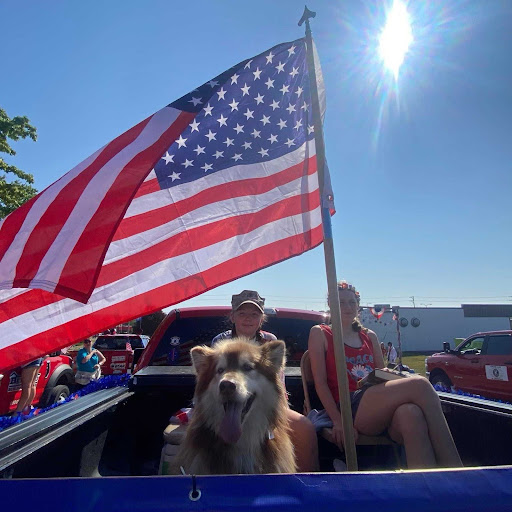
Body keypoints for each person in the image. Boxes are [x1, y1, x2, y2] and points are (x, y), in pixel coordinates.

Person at [308, 281, 462, 469]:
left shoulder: (369, 335)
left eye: (351, 302)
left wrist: (394, 377)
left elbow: (381, 375)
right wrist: (338, 422)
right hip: (347, 406)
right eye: (340, 302)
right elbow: (320, 384)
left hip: (375, 401)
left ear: (358, 305)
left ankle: (425, 488)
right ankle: (456, 469)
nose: (347, 307)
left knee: (410, 414)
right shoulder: (321, 333)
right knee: (420, 384)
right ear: (330, 305)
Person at [212, 290, 319, 472]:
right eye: (242, 313)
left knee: (305, 428)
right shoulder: (220, 342)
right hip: (227, 403)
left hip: (265, 405)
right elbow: (213, 380)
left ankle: (307, 485)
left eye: (254, 314)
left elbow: (278, 383)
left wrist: (278, 411)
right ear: (232, 317)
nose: (248, 318)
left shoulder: (270, 342)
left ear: (262, 319)